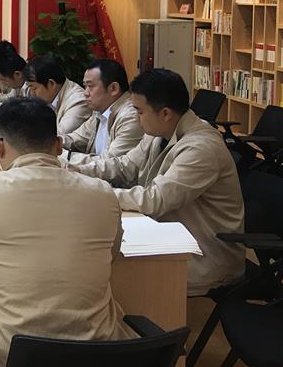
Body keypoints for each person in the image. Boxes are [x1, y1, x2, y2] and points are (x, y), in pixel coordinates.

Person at [0, 97, 132, 367]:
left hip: (4, 366)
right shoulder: (103, 194)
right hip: (92, 365)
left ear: (0, 146)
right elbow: (111, 255)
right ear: (58, 145)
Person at [70, 69, 245, 296]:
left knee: (106, 271)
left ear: (165, 113)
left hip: (204, 255)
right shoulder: (159, 131)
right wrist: (74, 170)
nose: (135, 117)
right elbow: (124, 166)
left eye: (139, 111)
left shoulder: (201, 148)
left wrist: (89, 190)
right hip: (167, 235)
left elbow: (155, 199)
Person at [62, 59, 143, 159]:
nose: (85, 93)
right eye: (85, 86)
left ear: (113, 88)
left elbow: (110, 162)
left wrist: (66, 156)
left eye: (90, 86)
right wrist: (49, 144)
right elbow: (74, 139)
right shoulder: (99, 112)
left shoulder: (130, 117)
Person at [24, 55, 91, 135]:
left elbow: (58, 135)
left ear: (51, 84)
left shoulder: (78, 101)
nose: (32, 93)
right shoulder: (48, 96)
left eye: (34, 88)